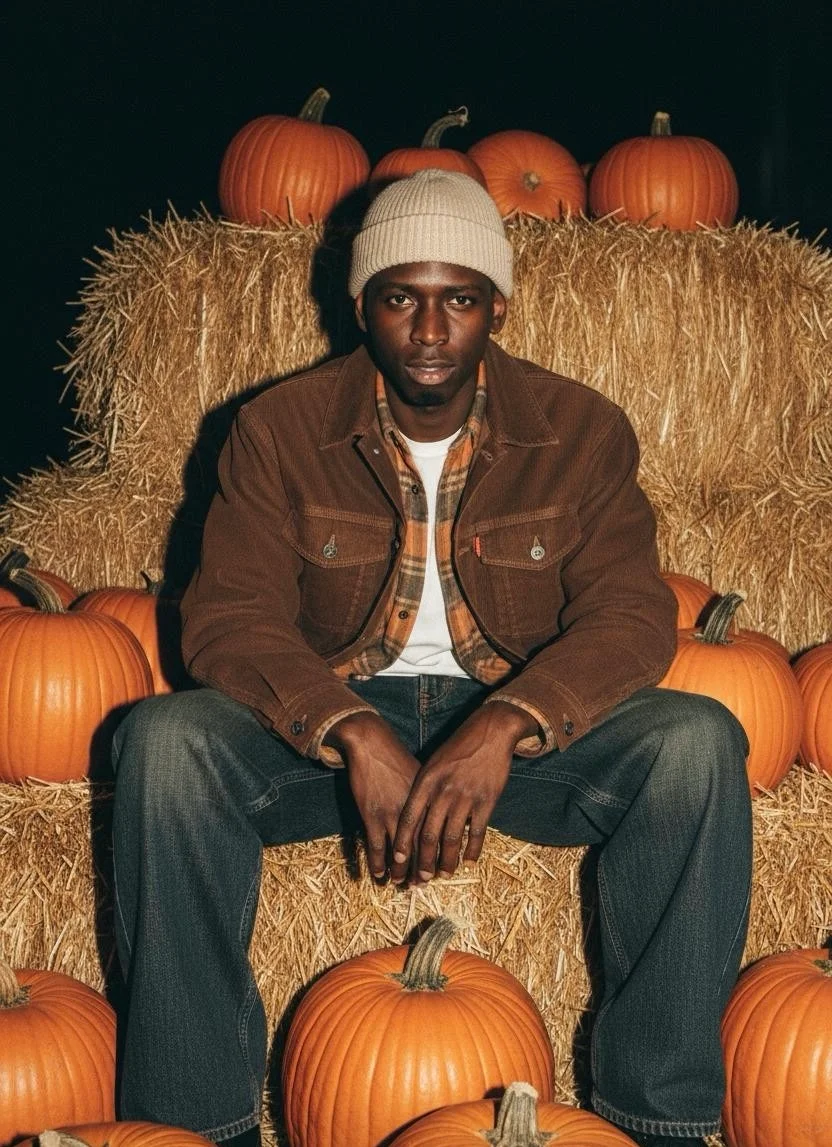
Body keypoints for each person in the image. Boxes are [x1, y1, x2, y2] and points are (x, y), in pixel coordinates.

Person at [111, 168, 753, 1147]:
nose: (428, 329)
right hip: (328, 729)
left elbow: (629, 615)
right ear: (359, 304)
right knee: (164, 743)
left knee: (697, 741)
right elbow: (229, 618)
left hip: (516, 730)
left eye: (459, 299)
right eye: (400, 297)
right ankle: (191, 1128)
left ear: (497, 306)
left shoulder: (580, 431)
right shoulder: (277, 429)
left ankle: (655, 1121)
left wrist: (505, 721)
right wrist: (349, 727)